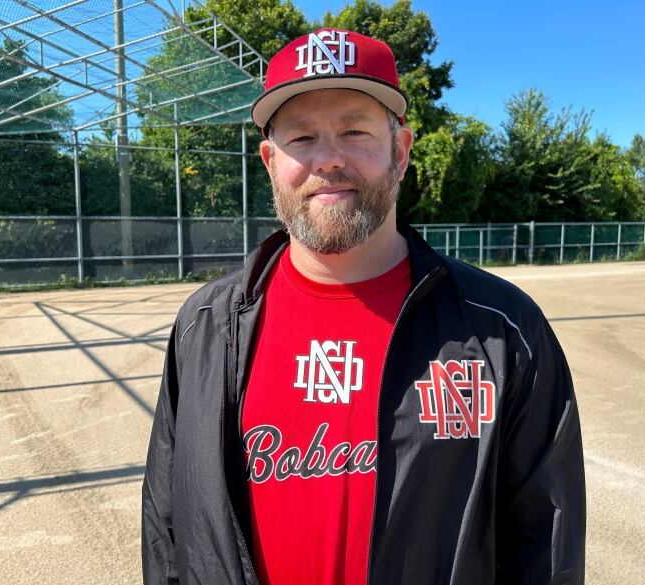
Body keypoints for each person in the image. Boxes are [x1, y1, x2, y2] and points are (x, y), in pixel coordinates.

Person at [142, 28, 585, 585]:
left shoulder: (504, 331)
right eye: (301, 138)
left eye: (355, 131)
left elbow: (545, 547)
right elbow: (168, 529)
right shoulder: (203, 329)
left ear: (400, 151)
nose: (328, 160)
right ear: (269, 162)